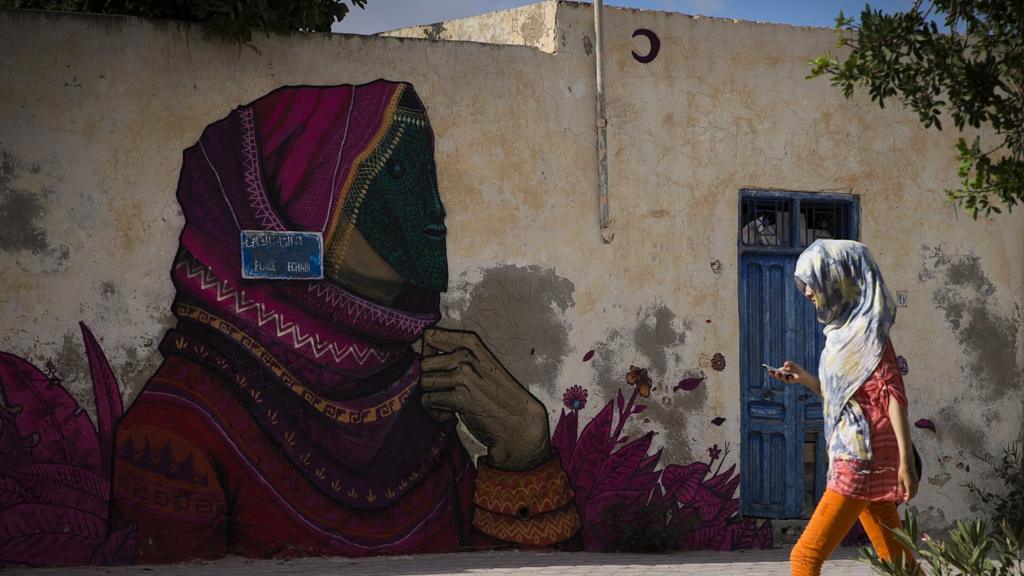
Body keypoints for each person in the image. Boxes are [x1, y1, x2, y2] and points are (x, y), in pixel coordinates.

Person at [109, 81, 580, 562]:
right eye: (395, 175)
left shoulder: (417, 402)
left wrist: (524, 453)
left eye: (429, 179)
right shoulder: (180, 429)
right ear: (286, 206)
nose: (436, 211)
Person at [767, 240, 919, 576]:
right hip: (854, 453)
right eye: (804, 283)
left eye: (813, 280)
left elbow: (893, 397)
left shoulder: (871, 334)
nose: (807, 291)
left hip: (860, 458)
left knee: (804, 557)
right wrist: (805, 378)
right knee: (898, 560)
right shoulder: (840, 333)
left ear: (838, 277)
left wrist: (905, 463)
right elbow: (847, 399)